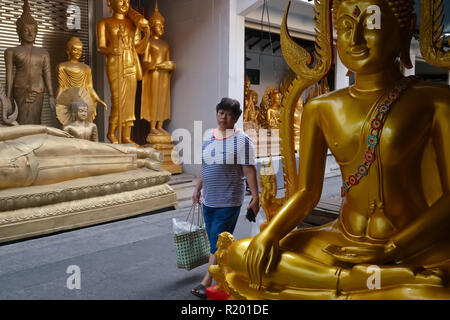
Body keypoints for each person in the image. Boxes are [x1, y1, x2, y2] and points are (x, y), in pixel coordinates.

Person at [215, 0, 450, 299]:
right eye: (346, 28)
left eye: (372, 24)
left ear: (404, 32)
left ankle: (360, 282)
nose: (357, 40)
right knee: (241, 253)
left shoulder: (434, 100)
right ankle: (360, 283)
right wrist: (271, 234)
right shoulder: (321, 108)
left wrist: (394, 247)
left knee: (433, 296)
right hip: (343, 238)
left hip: (412, 244)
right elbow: (307, 193)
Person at [190, 97, 260, 299]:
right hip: (209, 199)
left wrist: (255, 196)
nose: (224, 117)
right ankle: (229, 273)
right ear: (217, 113)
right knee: (215, 238)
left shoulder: (242, 141)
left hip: (229, 199)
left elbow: (249, 171)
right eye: (222, 113)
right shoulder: (208, 137)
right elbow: (205, 167)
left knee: (218, 241)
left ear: (236, 118)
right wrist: (197, 189)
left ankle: (208, 281)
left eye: (229, 114)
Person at [96, 0, 149, 144]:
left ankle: (126, 136)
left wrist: (147, 33)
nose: (125, 3)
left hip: (130, 61)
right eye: (121, 0)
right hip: (115, 62)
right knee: (118, 100)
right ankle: (111, 133)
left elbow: (139, 48)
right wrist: (112, 49)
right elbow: (100, 47)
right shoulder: (104, 22)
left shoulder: (132, 24)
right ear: (109, 2)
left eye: (127, 1)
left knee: (130, 102)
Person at [4, 0, 56, 125]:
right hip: (20, 89)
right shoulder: (11, 51)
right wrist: (8, 97)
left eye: (33, 30)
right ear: (19, 31)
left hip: (37, 90)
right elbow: (9, 76)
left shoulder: (43, 53)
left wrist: (51, 95)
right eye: (26, 30)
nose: (30, 33)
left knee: (35, 120)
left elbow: (47, 74)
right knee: (19, 120)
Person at [140, 1, 176, 137]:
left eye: (163, 26)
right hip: (154, 73)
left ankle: (160, 125)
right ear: (152, 26)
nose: (162, 28)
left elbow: (168, 60)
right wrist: (155, 66)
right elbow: (145, 62)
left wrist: (170, 66)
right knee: (154, 99)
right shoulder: (149, 42)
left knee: (163, 98)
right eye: (159, 26)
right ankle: (152, 126)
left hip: (164, 75)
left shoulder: (165, 44)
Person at [57, 37, 107, 122]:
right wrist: (58, 101)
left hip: (84, 100)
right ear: (68, 51)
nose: (78, 53)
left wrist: (97, 98)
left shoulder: (86, 68)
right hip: (70, 100)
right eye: (75, 50)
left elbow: (89, 87)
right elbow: (62, 87)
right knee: (71, 126)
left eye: (80, 50)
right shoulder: (62, 67)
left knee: (84, 127)